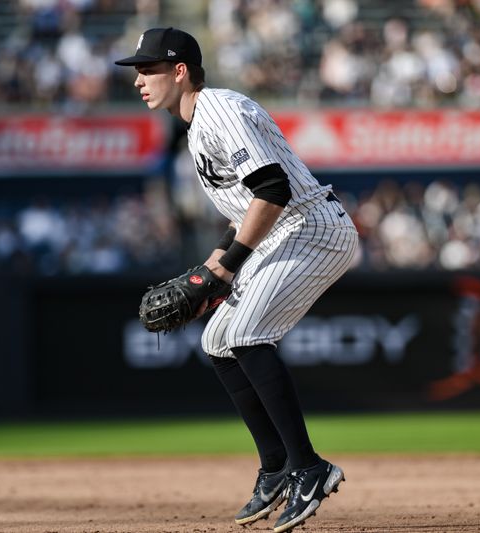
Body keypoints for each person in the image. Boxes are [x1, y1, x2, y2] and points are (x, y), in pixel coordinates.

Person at [115, 28, 358, 532]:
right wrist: (215, 261)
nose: (139, 79)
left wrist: (227, 267)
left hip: (312, 230)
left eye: (148, 69)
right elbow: (247, 207)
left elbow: (273, 189)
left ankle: (309, 468)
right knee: (218, 339)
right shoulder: (196, 125)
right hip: (283, 233)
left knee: (246, 334)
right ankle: (276, 467)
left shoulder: (219, 111)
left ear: (179, 71)